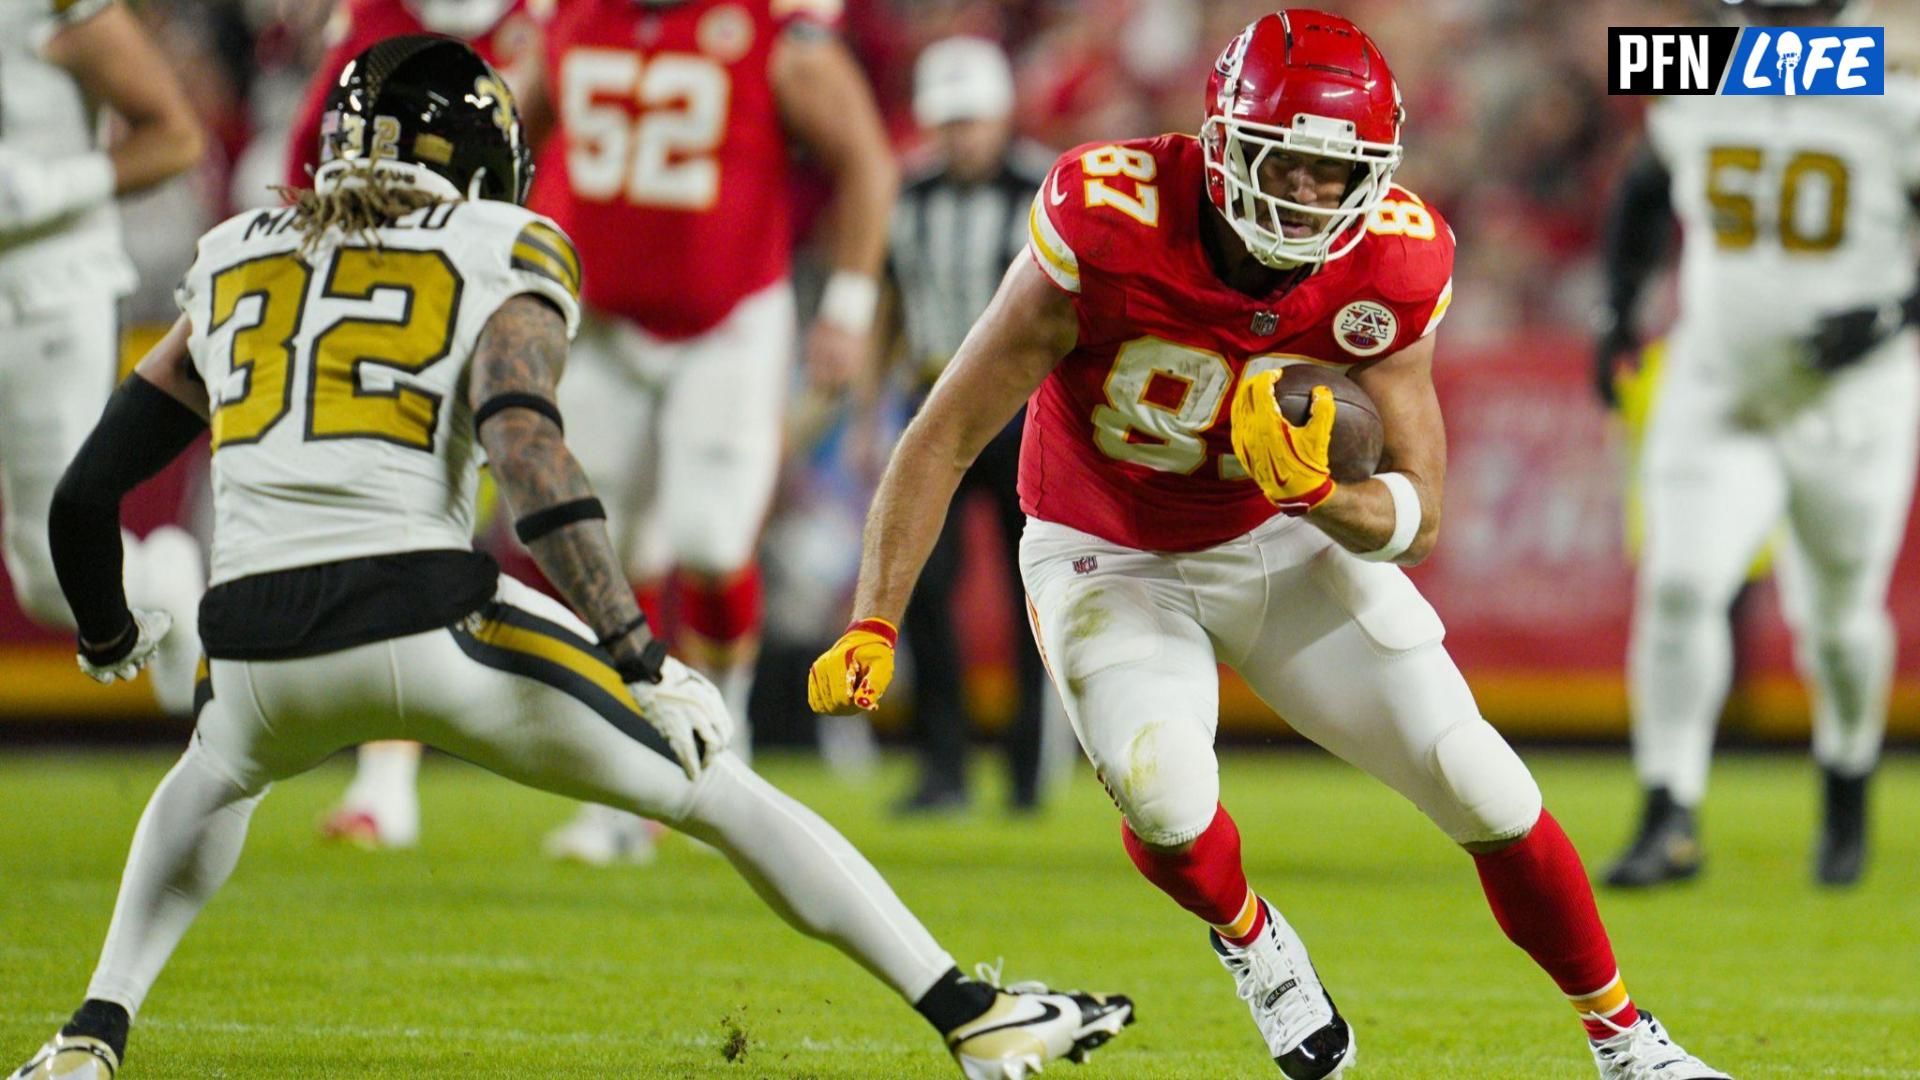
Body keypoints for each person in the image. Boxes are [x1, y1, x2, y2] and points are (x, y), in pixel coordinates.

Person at [7, 38, 1132, 1080]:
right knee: (716, 792)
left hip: (249, 646)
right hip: (428, 618)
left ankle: (93, 1030)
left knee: (210, 779)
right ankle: (974, 1017)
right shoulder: (498, 243)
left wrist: (107, 635)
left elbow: (83, 497)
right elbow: (526, 447)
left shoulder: (232, 258)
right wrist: (640, 653)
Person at [810, 11, 1729, 1080]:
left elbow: (1420, 514)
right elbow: (945, 432)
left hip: (1277, 542)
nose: (1303, 193)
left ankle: (1626, 1040)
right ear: (1222, 139)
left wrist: (1324, 496)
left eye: (1331, 174)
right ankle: (1254, 943)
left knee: (1481, 780)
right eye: (1282, 162)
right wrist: (874, 616)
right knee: (1164, 795)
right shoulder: (1108, 217)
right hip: (1107, 545)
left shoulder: (1392, 256)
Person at [1594, 0, 1920, 889]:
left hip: (1855, 399)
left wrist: (1894, 312)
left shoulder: (1888, 86)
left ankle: (1847, 779)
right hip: (1718, 382)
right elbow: (1643, 186)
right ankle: (1669, 813)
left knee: (1840, 621)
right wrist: (1615, 309)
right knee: (1680, 584)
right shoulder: (1704, 69)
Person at [284, 0, 550, 852]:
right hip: (389, 308)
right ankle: (385, 780)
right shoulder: (370, 20)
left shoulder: (551, 23)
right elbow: (307, 160)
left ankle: (644, 731)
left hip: (517, 295)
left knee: (615, 528)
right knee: (412, 534)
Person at [0, 0, 207, 716]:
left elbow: (176, 135)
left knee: (52, 578)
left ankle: (166, 584)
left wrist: (51, 189)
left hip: (43, 291)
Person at [880, 36, 1055, 814]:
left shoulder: (1044, 189)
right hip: (933, 405)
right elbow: (891, 303)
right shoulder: (908, 195)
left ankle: (1028, 766)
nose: (960, 138)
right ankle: (942, 764)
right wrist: (863, 410)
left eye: (971, 121)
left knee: (1042, 590)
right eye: (948, 123)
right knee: (921, 582)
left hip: (1027, 412)